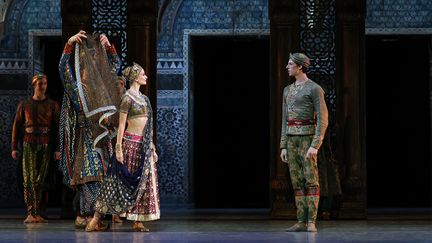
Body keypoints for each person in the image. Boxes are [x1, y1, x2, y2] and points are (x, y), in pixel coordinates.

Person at [86, 62, 160, 232]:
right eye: (143, 74)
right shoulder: (127, 98)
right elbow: (121, 126)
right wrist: (118, 148)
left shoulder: (145, 99)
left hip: (143, 146)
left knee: (144, 183)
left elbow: (148, 126)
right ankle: (96, 218)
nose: (146, 76)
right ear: (135, 77)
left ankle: (137, 221)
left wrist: (151, 145)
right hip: (129, 146)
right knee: (115, 184)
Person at [58, 30, 120, 229]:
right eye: (87, 67)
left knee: (101, 176)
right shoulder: (78, 91)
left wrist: (108, 46)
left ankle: (89, 217)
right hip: (85, 139)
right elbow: (63, 70)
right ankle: (88, 217)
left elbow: (114, 67)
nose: (91, 70)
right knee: (90, 177)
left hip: (102, 138)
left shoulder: (100, 88)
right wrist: (69, 44)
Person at [280, 53, 328, 232]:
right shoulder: (287, 90)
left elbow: (323, 118)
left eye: (290, 64)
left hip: (307, 138)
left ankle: (311, 221)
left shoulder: (314, 89)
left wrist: (315, 144)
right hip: (291, 138)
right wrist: (283, 144)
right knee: (296, 180)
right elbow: (284, 119)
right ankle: (301, 220)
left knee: (311, 179)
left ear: (300, 67)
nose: (287, 67)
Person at [11, 74, 61, 223]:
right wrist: (14, 147)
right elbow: (16, 126)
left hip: (45, 144)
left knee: (42, 178)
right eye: (40, 83)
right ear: (34, 85)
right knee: (29, 178)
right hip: (28, 143)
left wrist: (58, 148)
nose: (43, 86)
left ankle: (38, 212)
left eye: (45, 83)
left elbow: (58, 129)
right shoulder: (24, 105)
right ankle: (30, 212)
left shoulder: (53, 105)